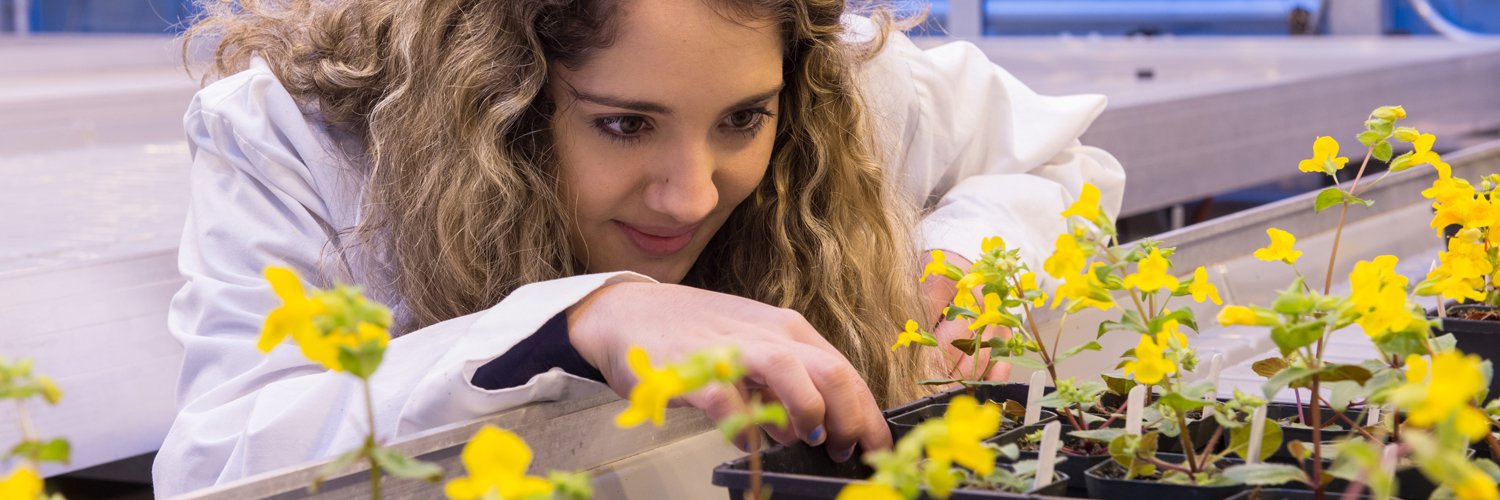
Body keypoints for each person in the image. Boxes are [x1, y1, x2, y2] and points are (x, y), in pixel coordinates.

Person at [153, 0, 1125, 495]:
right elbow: (214, 466)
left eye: (745, 118)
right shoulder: (310, 136)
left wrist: (957, 265)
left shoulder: (837, 83)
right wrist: (578, 320)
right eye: (625, 125)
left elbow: (1058, 161)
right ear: (505, 89)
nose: (693, 192)